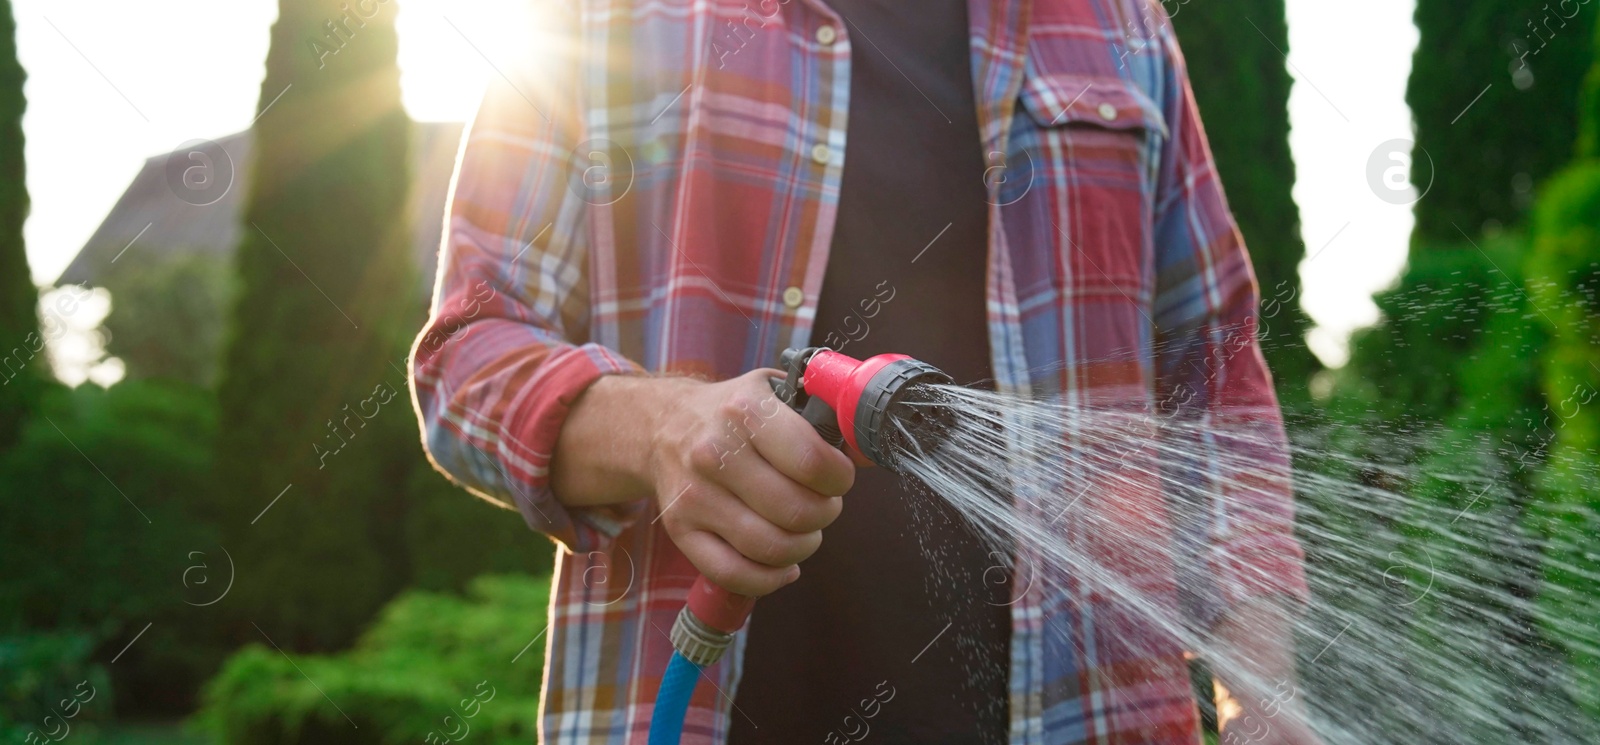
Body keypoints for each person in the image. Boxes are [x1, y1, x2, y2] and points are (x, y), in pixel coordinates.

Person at [409, 0, 1314, 742]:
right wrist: (659, 428)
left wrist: (1261, 688)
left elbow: (1215, 371)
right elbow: (465, 354)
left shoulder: (1118, 24)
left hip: (1093, 714)